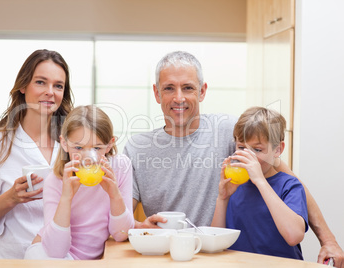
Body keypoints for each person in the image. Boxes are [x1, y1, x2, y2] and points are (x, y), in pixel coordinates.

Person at [123, 51, 344, 266]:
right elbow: (119, 219)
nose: (178, 97)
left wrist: (329, 241)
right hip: (168, 260)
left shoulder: (231, 131)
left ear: (202, 91)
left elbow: (290, 182)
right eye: (169, 88)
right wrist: (140, 226)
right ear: (156, 93)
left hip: (223, 259)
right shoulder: (136, 148)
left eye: (188, 88)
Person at [0, 49, 74, 259]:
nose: (50, 91)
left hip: (65, 260)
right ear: (23, 86)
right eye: (41, 82)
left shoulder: (72, 143)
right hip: (12, 260)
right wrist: (10, 198)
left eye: (58, 85)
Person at [24, 105, 134, 260]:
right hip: (51, 254)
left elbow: (121, 235)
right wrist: (66, 198)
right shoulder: (56, 180)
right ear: (64, 143)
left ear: (110, 144)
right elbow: (56, 252)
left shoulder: (120, 167)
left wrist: (114, 194)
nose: (87, 158)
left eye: (97, 148)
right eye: (78, 147)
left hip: (92, 259)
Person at [211, 106, 308, 259]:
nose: (248, 156)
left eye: (257, 150)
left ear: (277, 150)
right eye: (241, 147)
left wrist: (260, 181)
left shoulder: (289, 186)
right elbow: (215, 241)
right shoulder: (234, 186)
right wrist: (222, 199)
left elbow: (294, 236)